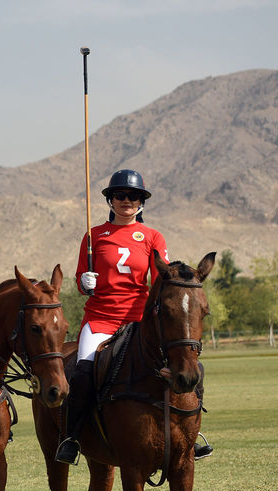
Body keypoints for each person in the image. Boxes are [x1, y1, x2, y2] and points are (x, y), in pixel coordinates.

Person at [55, 169, 213, 465]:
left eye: (134, 196)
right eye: (120, 195)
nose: (126, 200)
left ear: (142, 202)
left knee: (187, 365)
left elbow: (162, 281)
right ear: (111, 200)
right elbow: (80, 280)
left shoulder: (153, 237)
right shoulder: (93, 236)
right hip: (101, 319)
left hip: (140, 320)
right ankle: (72, 437)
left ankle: (192, 436)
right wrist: (84, 282)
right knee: (83, 373)